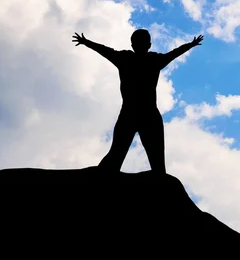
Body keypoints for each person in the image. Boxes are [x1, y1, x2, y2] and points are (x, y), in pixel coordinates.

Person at [72, 29, 203, 174]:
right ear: (149, 45)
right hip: (140, 115)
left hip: (138, 114)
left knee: (147, 162)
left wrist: (86, 42)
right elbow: (174, 53)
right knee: (126, 158)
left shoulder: (130, 58)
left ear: (135, 44)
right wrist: (191, 45)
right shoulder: (145, 59)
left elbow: (105, 51)